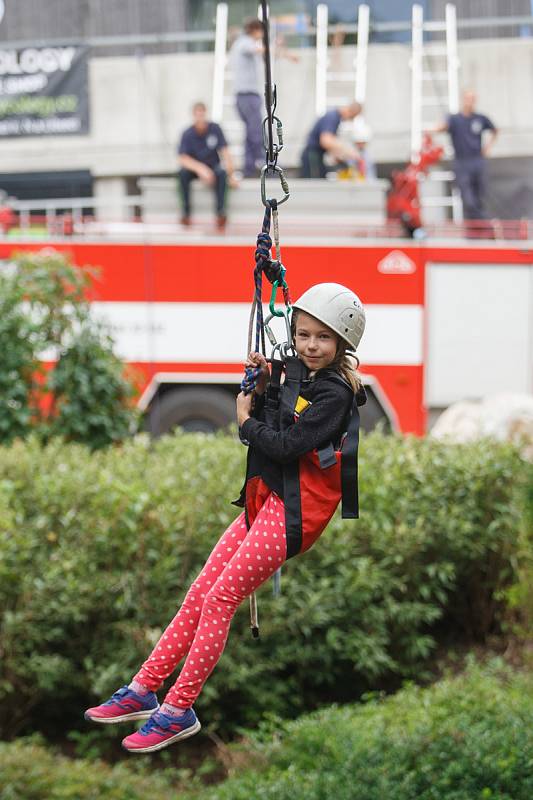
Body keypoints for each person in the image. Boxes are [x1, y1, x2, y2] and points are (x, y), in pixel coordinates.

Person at [84, 283, 366, 754]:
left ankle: (177, 710)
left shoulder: (334, 394)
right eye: (302, 335)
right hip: (268, 503)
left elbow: (283, 446)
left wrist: (244, 421)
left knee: (219, 600)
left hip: (293, 514)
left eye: (322, 338)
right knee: (199, 593)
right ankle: (143, 688)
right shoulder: (305, 374)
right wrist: (268, 369)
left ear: (342, 344)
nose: (310, 346)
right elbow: (290, 376)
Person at [432, 89, 497, 224]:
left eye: (473, 99)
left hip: (477, 161)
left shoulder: (480, 118)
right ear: (463, 99)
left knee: (480, 195)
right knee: (468, 199)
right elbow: (443, 127)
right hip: (462, 162)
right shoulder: (454, 119)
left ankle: (480, 229)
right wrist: (432, 130)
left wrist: (487, 148)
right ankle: (481, 226)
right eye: (468, 98)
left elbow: (495, 130)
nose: (470, 102)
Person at [177, 101, 237, 230]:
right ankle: (186, 213)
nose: (200, 117)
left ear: (205, 114)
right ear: (193, 115)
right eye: (197, 114)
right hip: (195, 169)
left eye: (202, 114)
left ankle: (220, 212)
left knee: (222, 173)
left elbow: (225, 152)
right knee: (182, 173)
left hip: (213, 167)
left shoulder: (215, 129)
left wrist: (232, 175)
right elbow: (183, 158)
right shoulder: (187, 134)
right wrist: (201, 169)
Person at [230, 18, 265, 178]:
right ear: (255, 30)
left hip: (244, 96)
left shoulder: (241, 43)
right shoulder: (244, 42)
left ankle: (249, 167)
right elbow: (256, 49)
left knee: (251, 133)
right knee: (256, 132)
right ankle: (264, 164)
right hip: (247, 96)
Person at [300, 102, 363, 178]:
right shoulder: (332, 117)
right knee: (315, 184)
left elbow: (329, 144)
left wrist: (339, 157)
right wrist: (349, 152)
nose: (350, 120)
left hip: (317, 156)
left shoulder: (335, 119)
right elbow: (326, 141)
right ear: (351, 111)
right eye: (352, 117)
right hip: (313, 156)